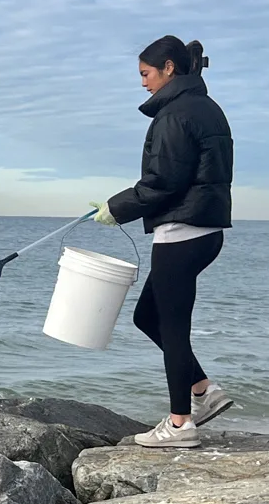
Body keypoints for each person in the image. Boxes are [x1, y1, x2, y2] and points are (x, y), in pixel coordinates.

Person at [95, 36, 234, 449]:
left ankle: (179, 425)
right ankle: (203, 391)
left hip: (182, 231)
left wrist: (116, 207)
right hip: (203, 231)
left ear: (169, 68)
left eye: (145, 74)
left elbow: (165, 182)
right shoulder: (205, 108)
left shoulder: (175, 115)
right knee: (148, 317)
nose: (143, 83)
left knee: (172, 328)